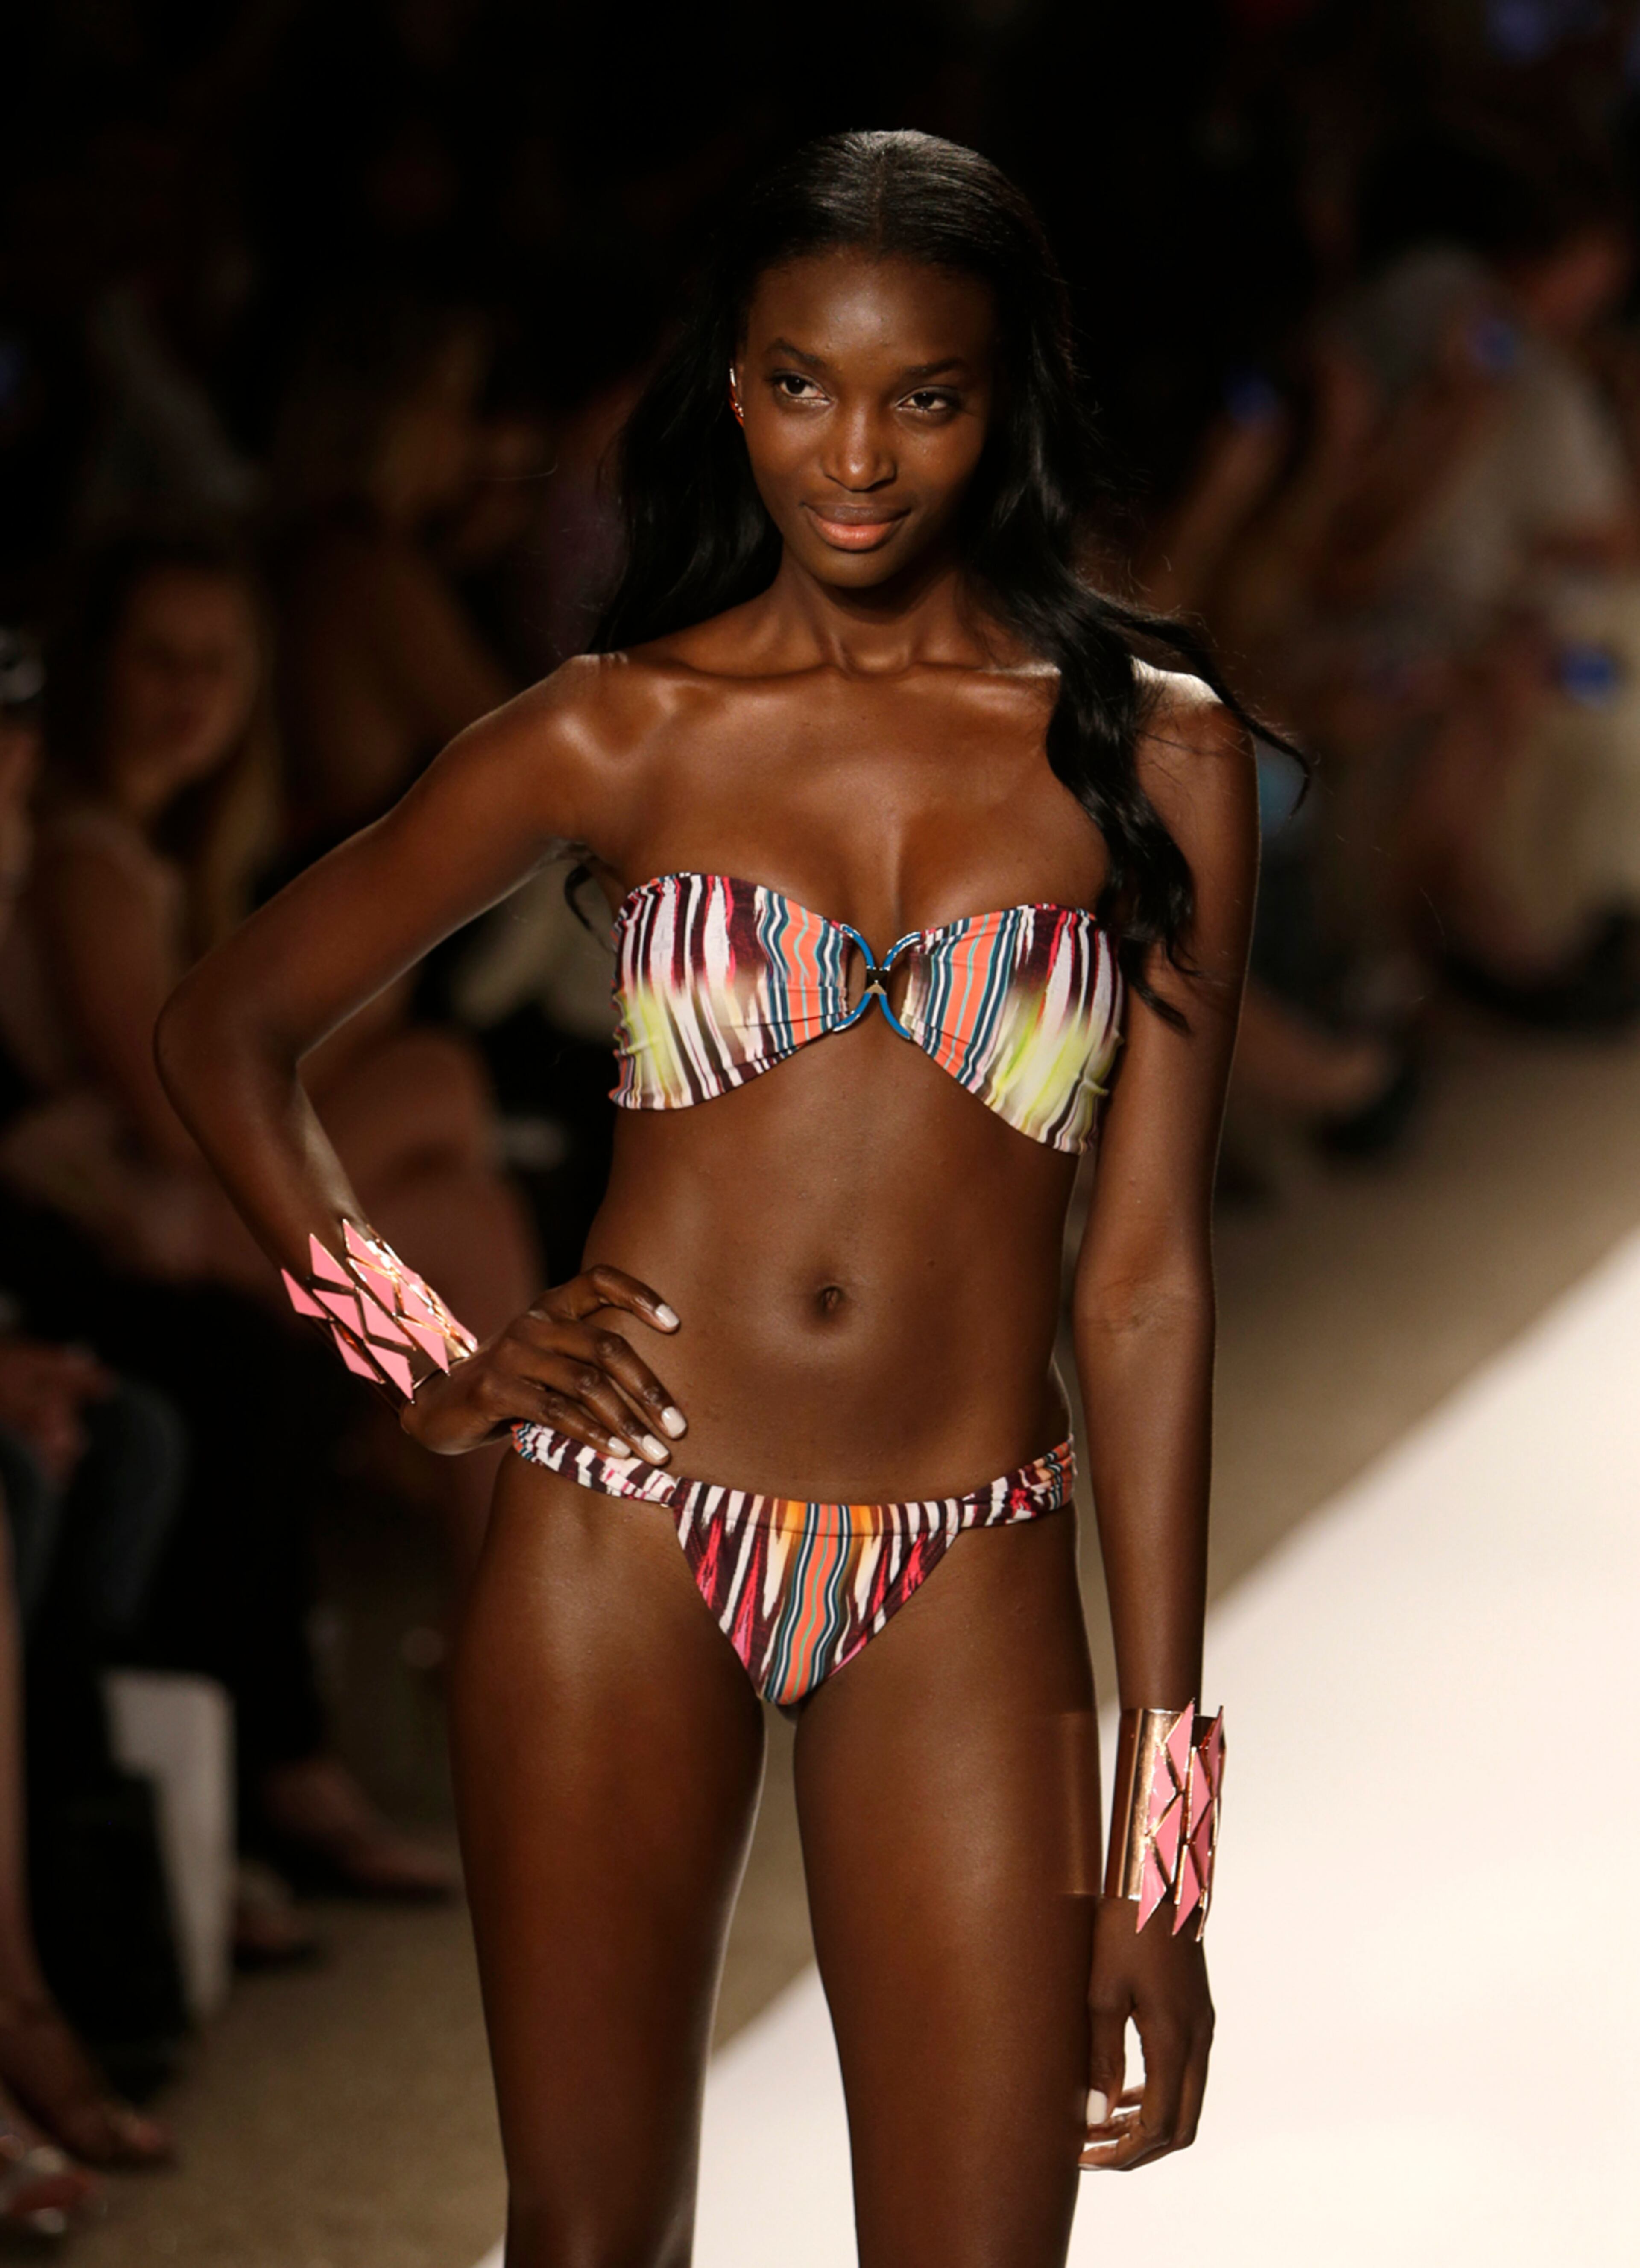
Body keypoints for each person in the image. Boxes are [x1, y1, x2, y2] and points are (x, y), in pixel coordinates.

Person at [158, 134, 1258, 2267]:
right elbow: (227, 1026)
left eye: (922, 395)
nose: (853, 455)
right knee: (587, 2245)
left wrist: (1169, 1844)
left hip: (964, 1556)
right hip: (620, 1534)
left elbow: (1141, 1291)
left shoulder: (1162, 754)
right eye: (797, 385)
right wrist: (429, 1355)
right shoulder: (618, 731)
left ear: (1006, 399)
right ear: (730, 388)